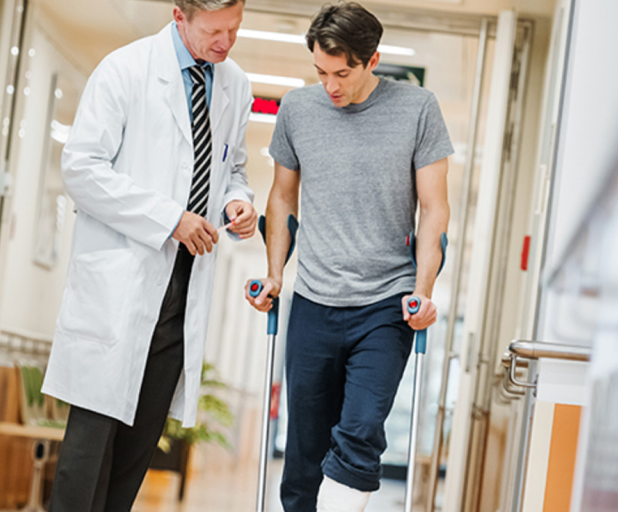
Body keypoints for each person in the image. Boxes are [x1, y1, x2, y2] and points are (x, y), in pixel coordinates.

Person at [42, 1, 257, 510]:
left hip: (182, 292)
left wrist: (237, 202)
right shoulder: (126, 69)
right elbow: (82, 169)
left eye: (235, 28)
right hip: (121, 288)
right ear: (180, 15)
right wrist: (170, 218)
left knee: (135, 457)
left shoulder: (235, 85)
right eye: (214, 30)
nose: (226, 42)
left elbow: (236, 168)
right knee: (87, 456)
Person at [246, 3, 453, 511]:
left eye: (342, 73)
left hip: (385, 304)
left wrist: (423, 290)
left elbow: (434, 209)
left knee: (360, 431)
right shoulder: (298, 109)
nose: (330, 85)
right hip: (314, 302)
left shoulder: (417, 108)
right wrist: (275, 274)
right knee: (304, 453)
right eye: (321, 72)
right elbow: (281, 198)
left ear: (372, 60)